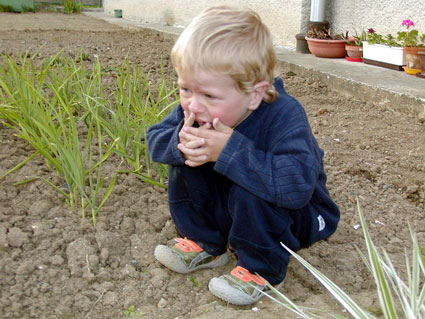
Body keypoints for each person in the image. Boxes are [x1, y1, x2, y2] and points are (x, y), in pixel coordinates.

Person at [146, 5, 340, 306]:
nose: (193, 106)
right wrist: (179, 143)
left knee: (252, 184)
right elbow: (154, 139)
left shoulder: (285, 116)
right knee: (187, 159)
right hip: (236, 207)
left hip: (298, 215)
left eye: (209, 95)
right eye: (185, 89)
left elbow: (296, 185)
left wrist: (230, 152)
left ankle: (261, 268)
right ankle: (207, 243)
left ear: (254, 94)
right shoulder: (197, 110)